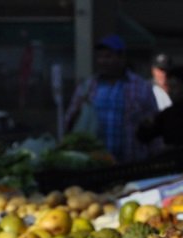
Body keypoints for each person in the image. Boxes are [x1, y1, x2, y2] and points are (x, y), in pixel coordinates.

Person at [64, 34, 160, 163]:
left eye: (108, 56)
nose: (102, 61)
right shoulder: (87, 87)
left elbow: (154, 127)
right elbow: (69, 122)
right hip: (94, 165)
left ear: (122, 57)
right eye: (100, 57)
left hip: (131, 165)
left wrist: (156, 158)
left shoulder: (141, 87)